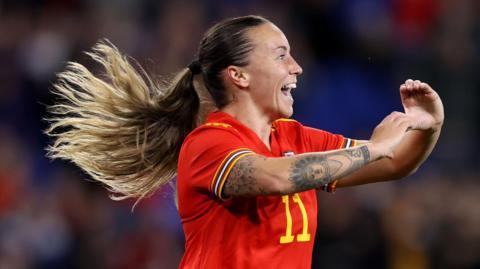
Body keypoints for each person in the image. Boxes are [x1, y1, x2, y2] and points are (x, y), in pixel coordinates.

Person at [46, 15, 444, 268]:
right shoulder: (207, 144)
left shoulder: (294, 137)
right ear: (239, 76)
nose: (297, 66)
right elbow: (277, 179)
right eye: (281, 55)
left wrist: (429, 125)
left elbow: (396, 164)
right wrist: (371, 147)